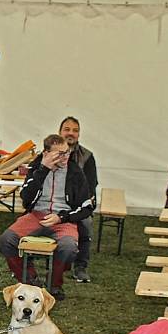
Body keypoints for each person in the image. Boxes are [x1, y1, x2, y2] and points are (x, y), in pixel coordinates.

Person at [0, 134, 93, 300]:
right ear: (47, 153)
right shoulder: (36, 168)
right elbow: (26, 197)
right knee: (7, 240)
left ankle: (54, 283)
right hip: (36, 215)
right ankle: (30, 280)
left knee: (68, 247)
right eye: (60, 153)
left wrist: (61, 218)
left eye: (67, 152)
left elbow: (87, 207)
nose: (66, 156)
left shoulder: (75, 172)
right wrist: (43, 169)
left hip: (63, 218)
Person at [59, 116, 98, 283]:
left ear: (79, 134)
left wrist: (75, 210)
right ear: (60, 132)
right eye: (67, 129)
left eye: (75, 130)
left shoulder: (87, 157)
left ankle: (80, 266)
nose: (71, 133)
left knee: (86, 223)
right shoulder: (48, 153)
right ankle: (28, 262)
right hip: (54, 203)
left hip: (78, 205)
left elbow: (90, 188)